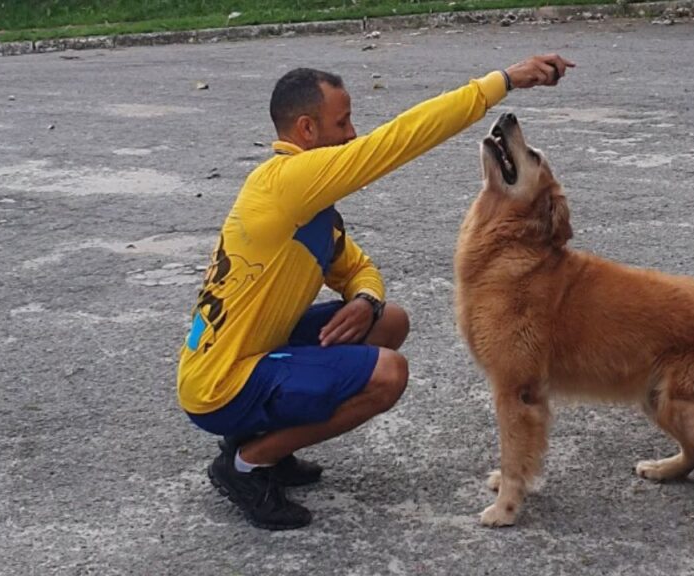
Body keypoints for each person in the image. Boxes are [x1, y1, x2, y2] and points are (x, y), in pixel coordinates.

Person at [177, 53, 575, 530]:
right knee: (388, 375)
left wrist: (365, 301)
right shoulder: (287, 182)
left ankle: (265, 436)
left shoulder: (305, 202)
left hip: (250, 355)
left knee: (389, 321)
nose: (352, 134)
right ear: (306, 130)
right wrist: (502, 82)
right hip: (219, 385)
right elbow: (399, 139)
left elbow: (358, 268)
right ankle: (245, 464)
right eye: (341, 122)